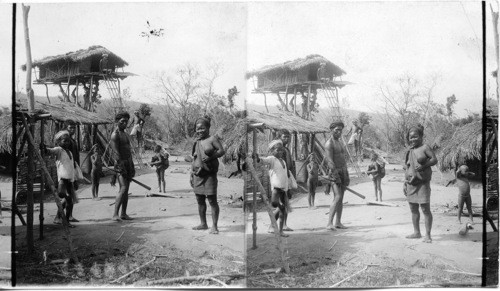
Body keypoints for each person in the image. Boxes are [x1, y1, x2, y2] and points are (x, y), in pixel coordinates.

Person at [191, 116, 225, 234]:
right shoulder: (196, 142)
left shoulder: (212, 139)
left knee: (212, 200)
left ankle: (214, 226)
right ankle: (203, 223)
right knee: (200, 200)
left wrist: (211, 157)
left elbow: (221, 151)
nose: (200, 131)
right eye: (197, 128)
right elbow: (194, 158)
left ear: (208, 128)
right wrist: (191, 174)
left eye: (202, 128)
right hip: (198, 175)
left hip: (209, 174)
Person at [403, 124, 437, 243]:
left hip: (422, 183)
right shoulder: (409, 151)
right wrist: (405, 183)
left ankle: (428, 235)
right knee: (413, 208)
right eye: (411, 137)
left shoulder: (425, 147)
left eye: (415, 137)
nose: (413, 139)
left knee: (425, 209)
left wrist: (424, 166)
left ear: (421, 136)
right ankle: (417, 232)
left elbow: (434, 159)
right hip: (411, 183)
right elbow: (407, 167)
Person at [43, 130, 78, 227]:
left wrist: (74, 179)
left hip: (69, 180)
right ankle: (64, 220)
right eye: (64, 141)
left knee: (69, 202)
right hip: (63, 180)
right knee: (64, 197)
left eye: (68, 140)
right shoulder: (59, 150)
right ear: (59, 142)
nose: (67, 142)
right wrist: (44, 148)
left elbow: (71, 167)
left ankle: (63, 220)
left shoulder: (69, 152)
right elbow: (50, 151)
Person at [254, 140, 289, 237]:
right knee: (276, 204)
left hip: (283, 189)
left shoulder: (283, 161)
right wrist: (257, 158)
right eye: (277, 150)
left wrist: (287, 188)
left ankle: (279, 230)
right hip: (276, 189)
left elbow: (285, 175)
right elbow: (263, 160)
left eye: (281, 150)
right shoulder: (272, 159)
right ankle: (273, 226)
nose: (280, 152)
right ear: (272, 151)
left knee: (282, 209)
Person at [110, 111, 135, 221]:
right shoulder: (115, 135)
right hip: (120, 164)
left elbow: (128, 151)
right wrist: (122, 167)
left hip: (128, 163)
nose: (125, 123)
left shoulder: (125, 134)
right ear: (117, 121)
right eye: (122, 121)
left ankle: (123, 213)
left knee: (126, 189)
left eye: (126, 121)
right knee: (123, 188)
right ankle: (115, 214)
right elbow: (116, 154)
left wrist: (131, 166)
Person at [325, 121, 350, 230]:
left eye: (340, 130)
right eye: (336, 130)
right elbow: (330, 161)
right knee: (337, 196)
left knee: (341, 197)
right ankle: (329, 223)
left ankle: (338, 222)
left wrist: (346, 174)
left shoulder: (339, 142)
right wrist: (336, 175)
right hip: (335, 172)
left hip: (343, 170)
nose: (339, 132)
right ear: (331, 130)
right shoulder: (329, 143)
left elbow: (343, 158)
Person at [278, 129, 294, 231]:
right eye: (284, 137)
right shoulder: (279, 150)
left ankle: (284, 224)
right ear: (280, 137)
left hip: (286, 177)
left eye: (288, 137)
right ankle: (275, 225)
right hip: (280, 179)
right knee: (282, 203)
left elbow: (289, 165)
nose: (287, 139)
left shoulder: (286, 149)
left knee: (286, 202)